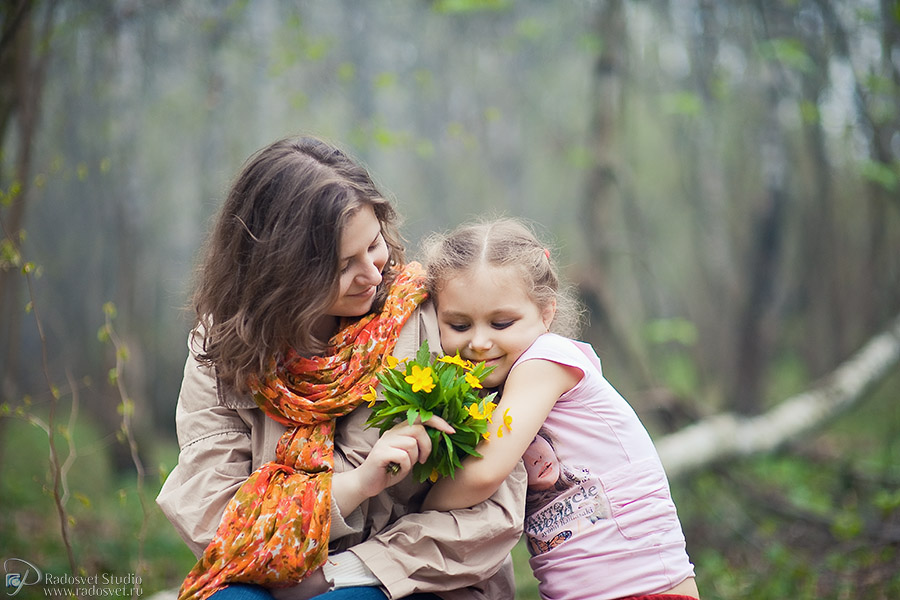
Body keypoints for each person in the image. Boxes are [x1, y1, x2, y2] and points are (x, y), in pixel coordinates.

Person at [156, 137, 526, 600]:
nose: (373, 274)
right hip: (270, 578)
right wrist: (352, 488)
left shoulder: (437, 320)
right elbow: (212, 514)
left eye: (374, 245)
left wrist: (352, 573)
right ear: (279, 275)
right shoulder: (224, 349)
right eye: (342, 265)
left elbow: (493, 511)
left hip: (415, 583)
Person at [419, 218, 700, 600]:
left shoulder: (545, 361)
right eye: (458, 325)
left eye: (502, 322)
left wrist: (416, 513)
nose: (480, 342)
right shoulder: (495, 389)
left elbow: (485, 471)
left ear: (546, 314)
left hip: (644, 587)